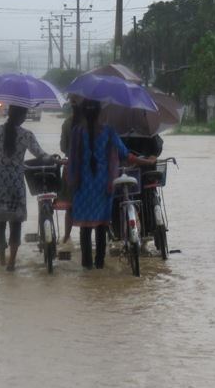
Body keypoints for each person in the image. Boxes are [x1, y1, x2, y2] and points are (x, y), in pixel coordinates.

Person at [67, 99, 156, 269]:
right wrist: (146, 162)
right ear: (100, 112)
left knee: (85, 228)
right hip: (103, 185)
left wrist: (71, 182)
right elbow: (125, 155)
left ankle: (87, 267)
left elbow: (72, 160)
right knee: (101, 225)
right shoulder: (108, 131)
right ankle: (99, 264)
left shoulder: (77, 132)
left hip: (82, 185)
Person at [0, 105, 51, 271]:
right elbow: (40, 154)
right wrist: (54, 159)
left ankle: (1, 259)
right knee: (16, 223)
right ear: (22, 116)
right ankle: (12, 262)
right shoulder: (26, 135)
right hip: (15, 182)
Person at [56, 100, 82, 248]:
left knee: (70, 207)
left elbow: (63, 147)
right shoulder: (90, 124)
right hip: (88, 170)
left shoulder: (66, 123)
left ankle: (66, 236)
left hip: (70, 168)